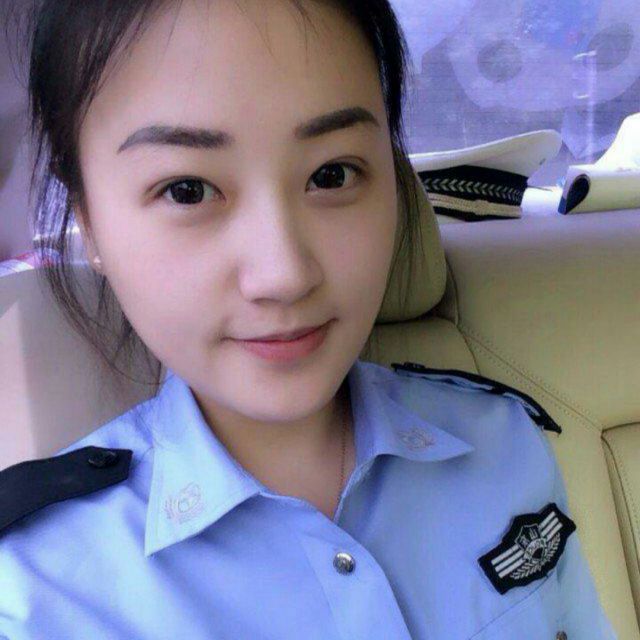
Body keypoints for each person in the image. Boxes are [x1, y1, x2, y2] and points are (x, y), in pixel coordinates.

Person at [0, 1, 618, 638]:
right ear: (89, 221)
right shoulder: (33, 594)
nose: (284, 275)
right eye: (188, 190)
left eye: (332, 174)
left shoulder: (503, 442)